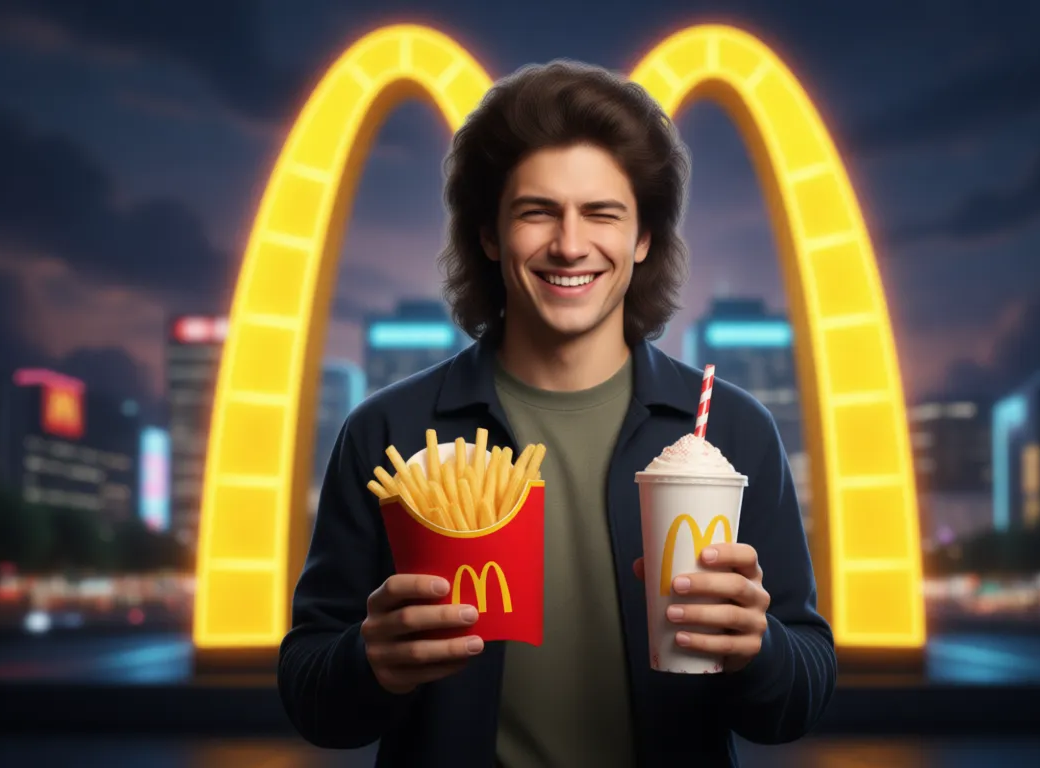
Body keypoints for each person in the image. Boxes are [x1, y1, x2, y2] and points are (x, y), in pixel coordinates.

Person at [279, 59, 837, 767]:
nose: (570, 244)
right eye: (536, 212)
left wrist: (761, 650)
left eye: (602, 213)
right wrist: (368, 663)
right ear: (489, 235)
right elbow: (311, 694)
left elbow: (801, 697)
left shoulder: (733, 430)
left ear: (643, 239)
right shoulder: (386, 432)